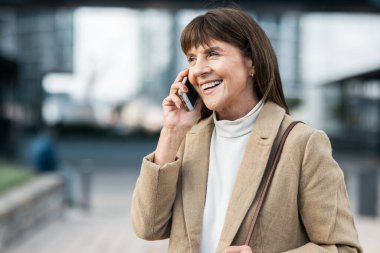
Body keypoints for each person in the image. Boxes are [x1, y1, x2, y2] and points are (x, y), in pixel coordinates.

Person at [131, 7, 362, 253]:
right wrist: (172, 131)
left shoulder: (303, 144)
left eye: (212, 54)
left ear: (251, 62)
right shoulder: (188, 139)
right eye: (191, 58)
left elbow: (343, 248)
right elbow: (148, 227)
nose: (198, 69)